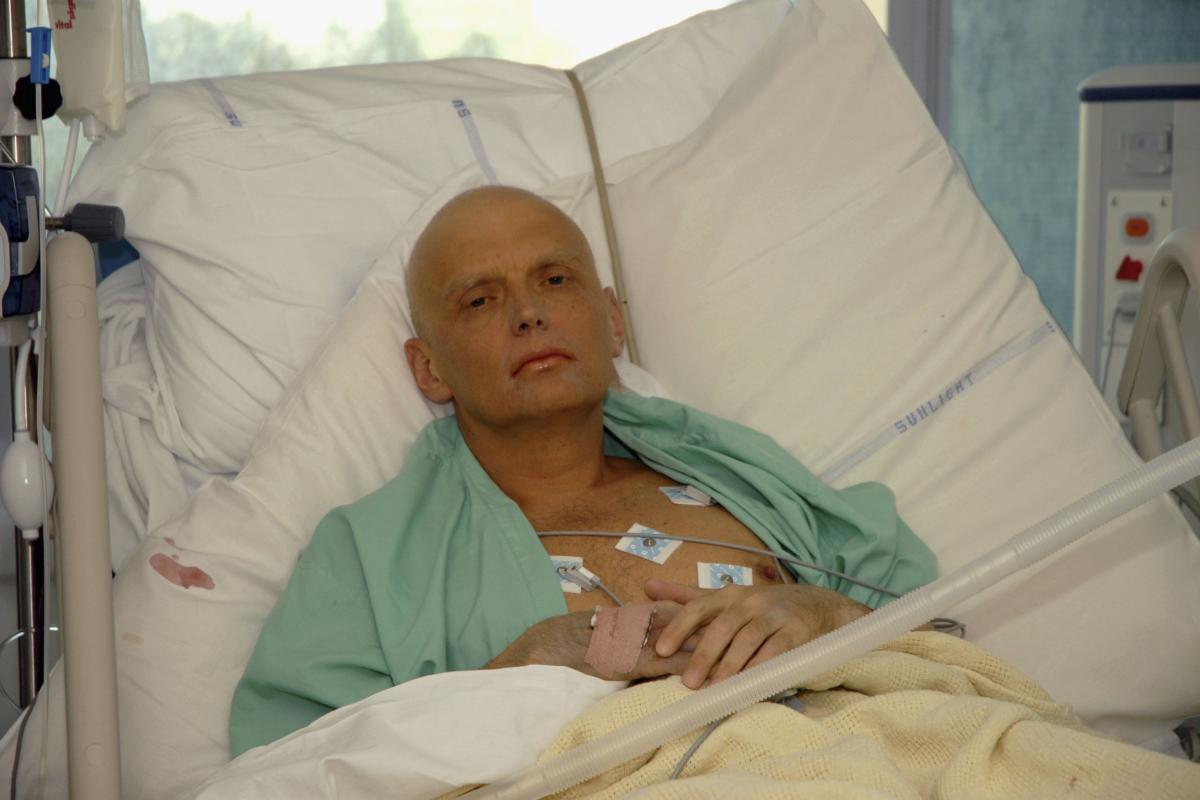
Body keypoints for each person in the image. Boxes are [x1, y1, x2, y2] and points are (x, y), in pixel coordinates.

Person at [227, 186, 936, 756]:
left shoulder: (741, 476)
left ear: (612, 321)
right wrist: (526, 667)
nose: (529, 313)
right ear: (429, 368)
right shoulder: (370, 558)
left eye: (555, 279)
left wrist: (827, 615)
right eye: (481, 300)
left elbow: (939, 636)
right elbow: (295, 770)